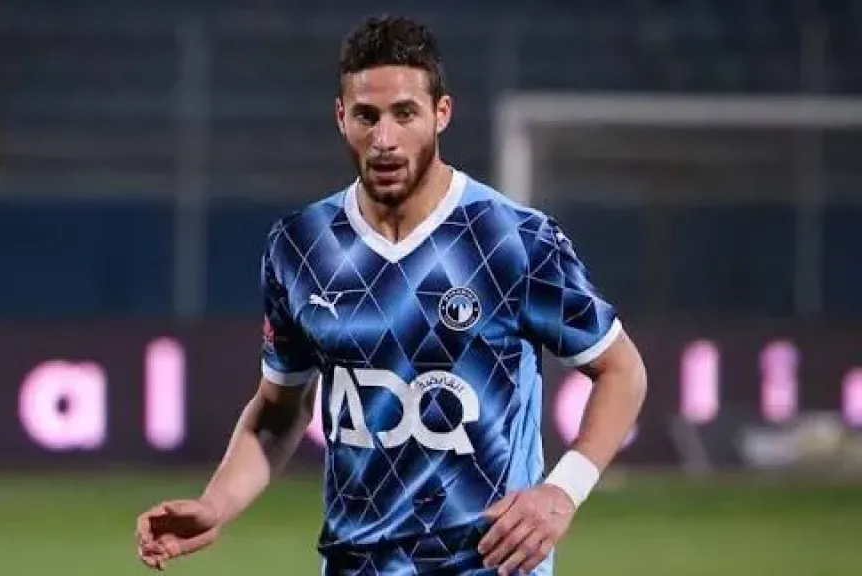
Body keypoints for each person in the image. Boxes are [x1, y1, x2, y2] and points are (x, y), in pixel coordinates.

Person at [135, 14, 647, 575]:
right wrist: (215, 505)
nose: (384, 140)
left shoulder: (513, 240)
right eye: (367, 116)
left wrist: (562, 491)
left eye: (405, 114)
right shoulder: (302, 246)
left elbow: (621, 371)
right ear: (341, 117)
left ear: (441, 113)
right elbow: (278, 411)